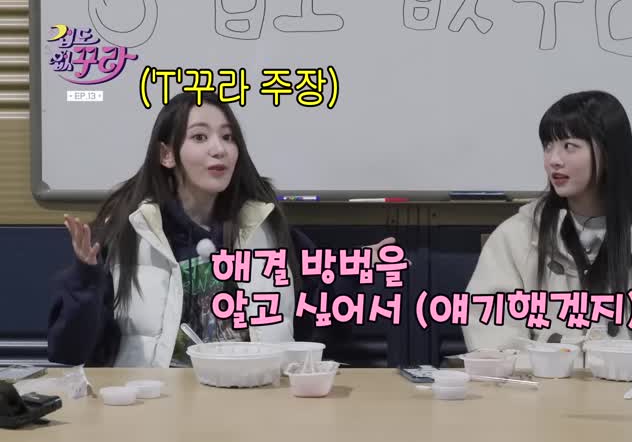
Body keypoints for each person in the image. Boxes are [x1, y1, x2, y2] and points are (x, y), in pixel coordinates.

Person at [47, 91, 393, 368]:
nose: (219, 149)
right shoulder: (128, 233)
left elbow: (319, 319)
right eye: (200, 137)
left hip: (257, 406)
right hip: (153, 411)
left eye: (228, 137)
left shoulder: (266, 228)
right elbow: (68, 353)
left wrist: (355, 269)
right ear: (167, 155)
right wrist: (85, 279)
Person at [461, 90, 632, 354]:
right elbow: (491, 329)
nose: (553, 160)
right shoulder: (518, 235)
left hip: (623, 380)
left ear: (609, 153)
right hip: (539, 379)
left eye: (569, 146)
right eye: (548, 146)